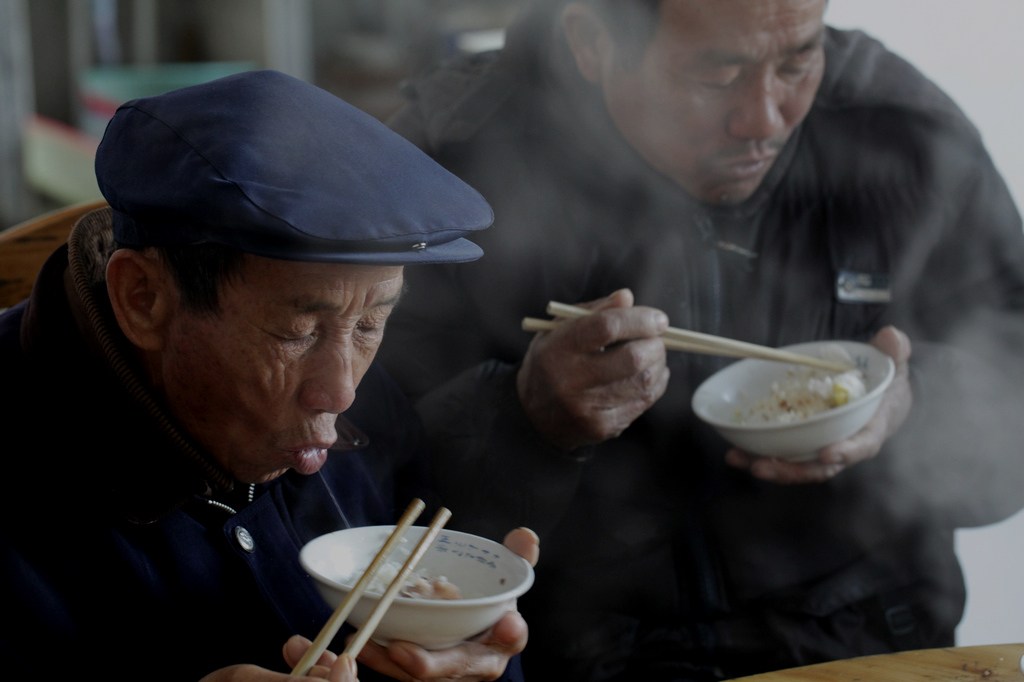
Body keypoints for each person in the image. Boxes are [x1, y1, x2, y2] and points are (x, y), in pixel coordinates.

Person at [378, 1, 1024, 680]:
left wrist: (912, 401)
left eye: (798, 59)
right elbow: (354, 487)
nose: (765, 120)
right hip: (569, 652)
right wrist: (528, 419)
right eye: (718, 76)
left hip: (866, 637)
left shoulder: (900, 129)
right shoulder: (451, 155)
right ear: (593, 42)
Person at [0, 70, 540, 682]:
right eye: (298, 332)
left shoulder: (358, 402)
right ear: (144, 298)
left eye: (371, 324)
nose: (341, 393)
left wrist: (464, 654)